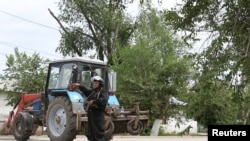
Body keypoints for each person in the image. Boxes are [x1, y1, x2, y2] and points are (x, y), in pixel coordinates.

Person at [72, 76, 109, 141]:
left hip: (98, 114)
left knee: (98, 130)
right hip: (91, 113)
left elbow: (103, 100)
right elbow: (86, 91)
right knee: (91, 131)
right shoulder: (93, 91)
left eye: (96, 83)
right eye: (94, 83)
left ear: (100, 84)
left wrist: (94, 101)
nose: (94, 84)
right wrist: (80, 86)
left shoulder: (104, 92)